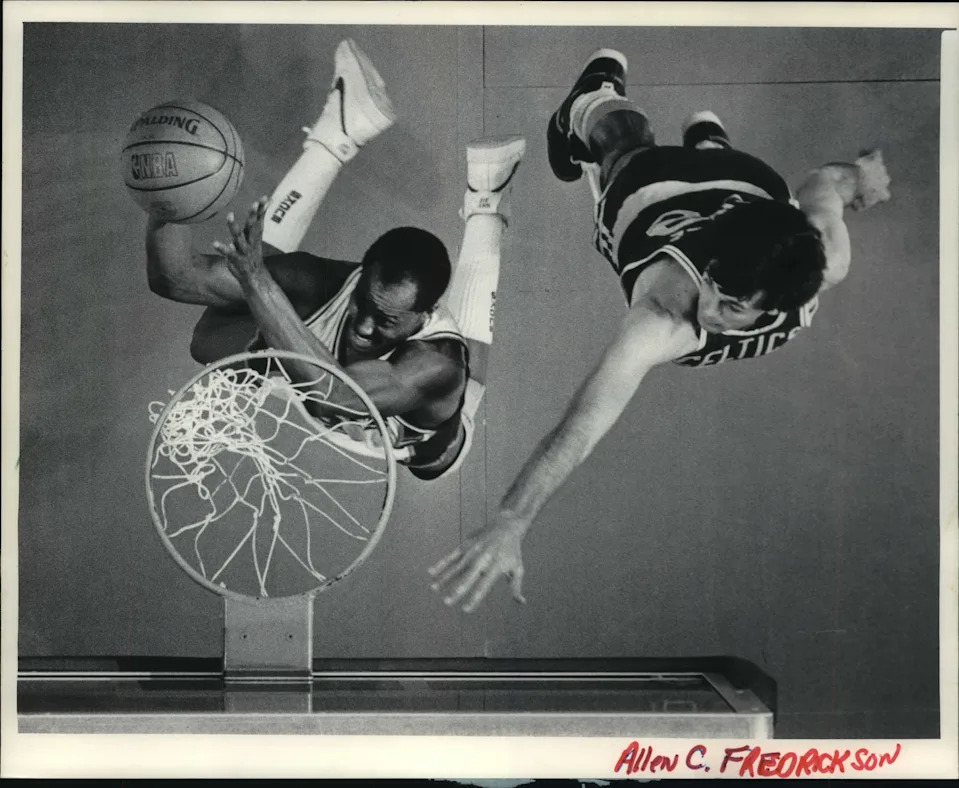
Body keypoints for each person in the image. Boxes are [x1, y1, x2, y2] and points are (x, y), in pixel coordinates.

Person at [429, 48, 892, 608]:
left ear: (777, 304)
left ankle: (709, 142)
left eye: (734, 306)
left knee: (681, 157)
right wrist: (510, 517)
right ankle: (594, 98)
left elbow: (826, 184)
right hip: (658, 199)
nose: (711, 308)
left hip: (747, 190)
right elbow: (582, 424)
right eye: (714, 284)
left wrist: (861, 179)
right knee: (626, 144)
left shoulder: (824, 260)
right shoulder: (663, 314)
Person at [146, 39, 526, 480]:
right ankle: (343, 126)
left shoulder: (434, 362)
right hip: (318, 370)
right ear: (361, 276)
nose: (365, 324)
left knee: (460, 399)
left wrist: (259, 284)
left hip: (423, 440)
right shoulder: (320, 282)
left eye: (385, 321)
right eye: (364, 301)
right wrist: (166, 197)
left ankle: (487, 199)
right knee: (209, 341)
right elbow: (173, 279)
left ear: (424, 317)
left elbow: (336, 395)